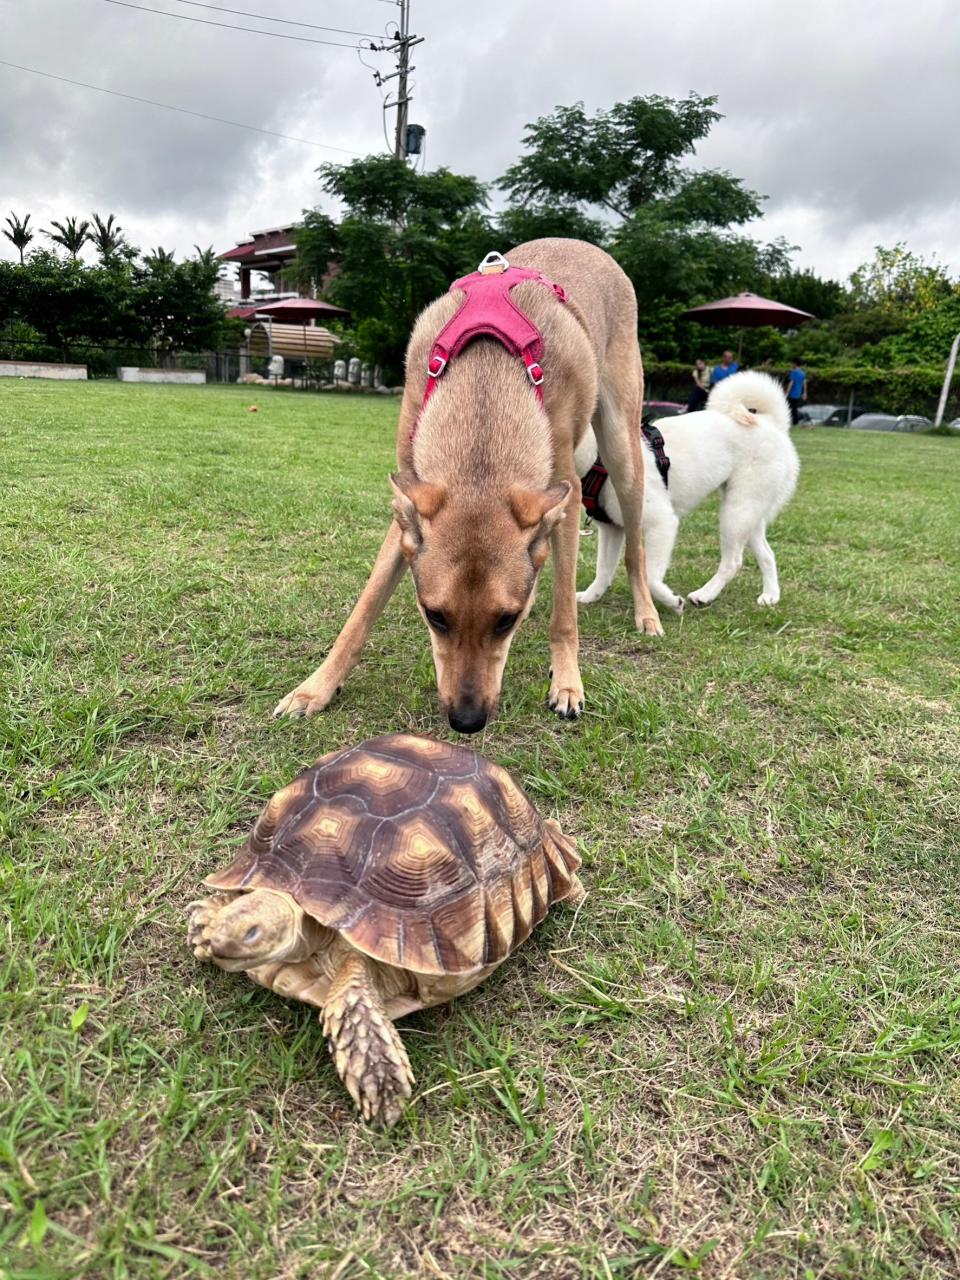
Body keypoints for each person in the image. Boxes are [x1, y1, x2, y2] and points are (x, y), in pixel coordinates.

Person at [785, 359, 807, 425]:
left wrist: (787, 392)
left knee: (788, 407)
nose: (792, 365)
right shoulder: (803, 373)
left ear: (795, 364)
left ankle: (792, 421)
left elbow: (791, 383)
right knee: (794, 408)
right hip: (798, 393)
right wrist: (804, 393)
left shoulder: (794, 372)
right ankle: (795, 422)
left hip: (792, 393)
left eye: (792, 363)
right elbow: (804, 383)